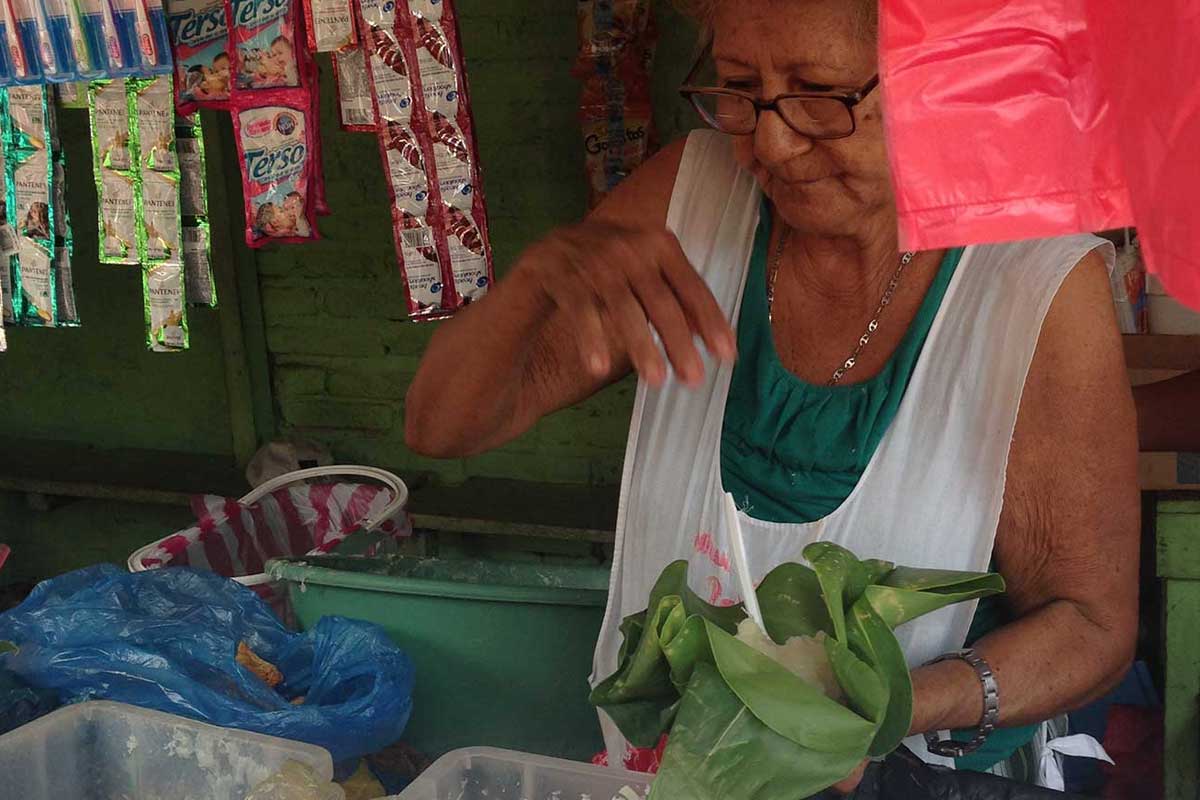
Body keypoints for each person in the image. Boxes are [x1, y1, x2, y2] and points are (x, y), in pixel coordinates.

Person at [405, 0, 1139, 789]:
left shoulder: (1033, 286)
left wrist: (882, 710)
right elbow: (440, 426)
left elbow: (1091, 627)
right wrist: (532, 283)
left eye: (819, 93)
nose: (773, 141)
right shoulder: (691, 200)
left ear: (936, 79)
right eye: (738, 86)